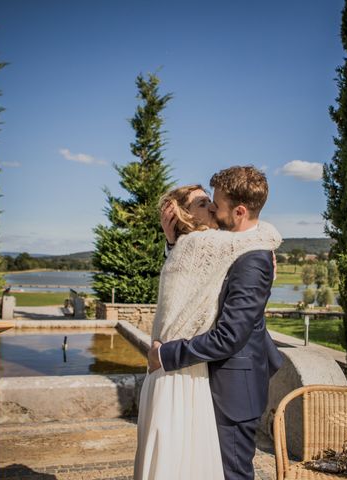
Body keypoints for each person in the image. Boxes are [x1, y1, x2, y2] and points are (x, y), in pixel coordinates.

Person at [134, 173, 282, 480]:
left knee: (232, 474)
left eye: (216, 204)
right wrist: (174, 240)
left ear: (239, 212)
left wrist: (166, 354)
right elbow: (189, 279)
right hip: (202, 381)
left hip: (232, 389)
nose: (213, 209)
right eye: (207, 203)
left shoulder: (253, 255)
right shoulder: (227, 246)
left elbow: (230, 335)